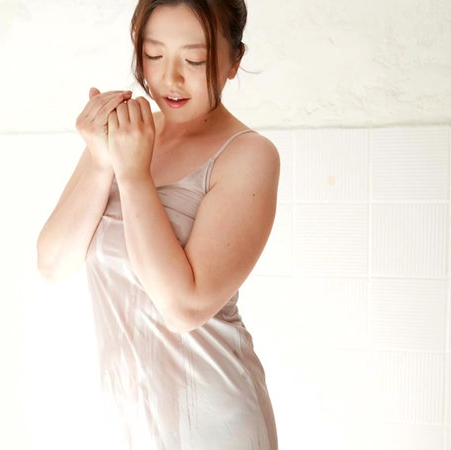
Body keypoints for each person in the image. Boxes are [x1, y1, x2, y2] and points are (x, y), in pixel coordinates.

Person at [37, 0, 279, 448]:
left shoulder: (249, 155)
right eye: (154, 54)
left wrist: (133, 175)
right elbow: (53, 263)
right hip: (128, 425)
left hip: (214, 426)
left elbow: (183, 309)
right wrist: (100, 161)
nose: (171, 78)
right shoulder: (127, 133)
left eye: (195, 59)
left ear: (234, 61)